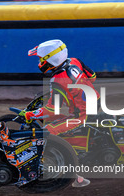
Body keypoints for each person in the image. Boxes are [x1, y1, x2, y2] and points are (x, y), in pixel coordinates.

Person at [20, 39, 100, 187]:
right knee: (57, 122)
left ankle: (74, 175)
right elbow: (93, 77)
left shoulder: (57, 80)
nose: (39, 62)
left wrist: (29, 114)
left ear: (49, 60)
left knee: (45, 132)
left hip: (81, 116)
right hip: (96, 103)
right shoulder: (75, 61)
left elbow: (51, 109)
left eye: (40, 59)